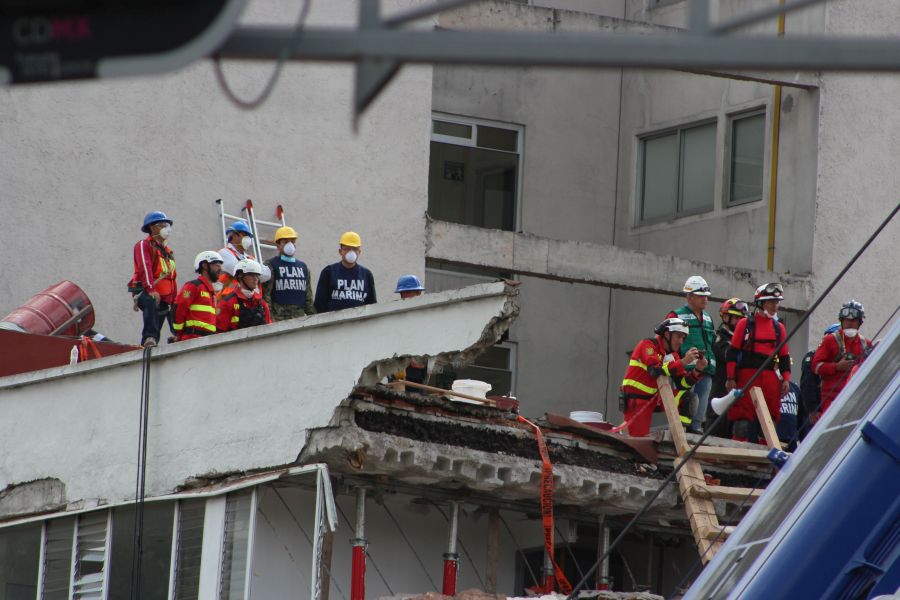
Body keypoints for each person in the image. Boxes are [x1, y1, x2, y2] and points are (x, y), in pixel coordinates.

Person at [725, 282, 792, 443]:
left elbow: (784, 356)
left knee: (769, 423)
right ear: (761, 303)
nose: (775, 306)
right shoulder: (745, 324)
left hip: (770, 381)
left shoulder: (779, 328)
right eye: (771, 302)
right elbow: (733, 352)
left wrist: (786, 379)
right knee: (742, 422)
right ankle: (736, 458)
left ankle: (764, 462)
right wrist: (730, 378)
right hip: (747, 377)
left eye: (776, 303)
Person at [619, 317, 705, 437]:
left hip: (656, 398)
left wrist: (697, 370)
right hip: (637, 400)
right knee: (638, 440)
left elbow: (682, 383)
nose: (681, 341)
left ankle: (682, 434)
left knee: (688, 398)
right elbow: (655, 370)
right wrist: (683, 361)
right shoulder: (648, 345)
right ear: (666, 334)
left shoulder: (673, 355)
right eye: (678, 336)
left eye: (683, 338)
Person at [668, 275, 717, 434]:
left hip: (705, 368)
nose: (705, 299)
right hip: (686, 369)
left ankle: (696, 427)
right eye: (700, 296)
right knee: (685, 401)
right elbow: (668, 343)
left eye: (706, 296)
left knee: (701, 403)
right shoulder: (677, 315)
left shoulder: (708, 318)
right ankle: (680, 430)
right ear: (689, 296)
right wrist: (679, 362)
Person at [810, 300, 873, 416]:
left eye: (853, 321)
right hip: (831, 399)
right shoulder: (830, 340)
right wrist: (836, 367)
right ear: (841, 320)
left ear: (860, 322)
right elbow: (815, 366)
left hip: (855, 400)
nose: (849, 323)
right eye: (846, 320)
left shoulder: (866, 344)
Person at [129, 211, 177, 347]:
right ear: (152, 227)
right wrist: (151, 289)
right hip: (146, 291)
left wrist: (174, 299)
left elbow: (172, 278)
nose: (167, 229)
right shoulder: (144, 245)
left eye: (167, 225)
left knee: (176, 310)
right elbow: (145, 268)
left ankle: (179, 337)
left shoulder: (168, 252)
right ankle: (149, 338)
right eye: (163, 225)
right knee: (151, 305)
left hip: (166, 297)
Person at [707, 298, 750, 438]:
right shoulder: (719, 339)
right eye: (736, 318)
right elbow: (731, 356)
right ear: (725, 317)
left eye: (741, 319)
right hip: (720, 394)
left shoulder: (741, 341)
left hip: (736, 398)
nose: (739, 322)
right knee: (715, 435)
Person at [314, 231, 377, 313]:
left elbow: (372, 304)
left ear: (359, 252)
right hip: (334, 323)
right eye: (347, 249)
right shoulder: (329, 272)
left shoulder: (366, 274)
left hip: (360, 324)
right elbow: (320, 303)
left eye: (355, 249)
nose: (351, 252)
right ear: (340, 251)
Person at [262, 226, 315, 320]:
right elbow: (266, 296)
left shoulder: (303, 267)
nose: (290, 244)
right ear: (278, 245)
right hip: (278, 319)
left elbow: (308, 299)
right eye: (286, 242)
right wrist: (270, 320)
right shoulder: (271, 265)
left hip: (300, 319)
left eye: (292, 241)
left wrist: (313, 318)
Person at [799, 323, 840, 437]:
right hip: (818, 412)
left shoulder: (843, 361)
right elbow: (808, 385)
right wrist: (813, 409)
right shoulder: (814, 358)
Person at [172, 251, 223, 341]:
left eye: (220, 265)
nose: (220, 268)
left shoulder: (211, 292)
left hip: (208, 340)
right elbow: (179, 308)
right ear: (204, 265)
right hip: (192, 339)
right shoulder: (193, 286)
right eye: (216, 265)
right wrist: (178, 333)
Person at [217, 259, 273, 332]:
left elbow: (270, 329)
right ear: (240, 276)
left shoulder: (262, 304)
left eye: (257, 275)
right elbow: (219, 334)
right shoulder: (228, 303)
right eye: (251, 275)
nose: (255, 279)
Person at [391, 275, 428, 385]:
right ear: (404, 293)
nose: (418, 295)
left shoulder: (423, 314)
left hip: (418, 370)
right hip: (399, 369)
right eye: (416, 292)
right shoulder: (396, 313)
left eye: (418, 292)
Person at [218, 221, 271, 297]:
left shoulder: (250, 258)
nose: (248, 239)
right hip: (229, 301)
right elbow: (238, 270)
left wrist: (251, 271)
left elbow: (267, 274)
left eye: (248, 236)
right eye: (244, 235)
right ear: (233, 235)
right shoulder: (224, 254)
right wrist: (255, 271)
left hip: (248, 301)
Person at [775, 377, 802, 451]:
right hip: (773, 437)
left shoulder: (795, 389)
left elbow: (801, 417)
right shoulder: (771, 386)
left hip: (792, 439)